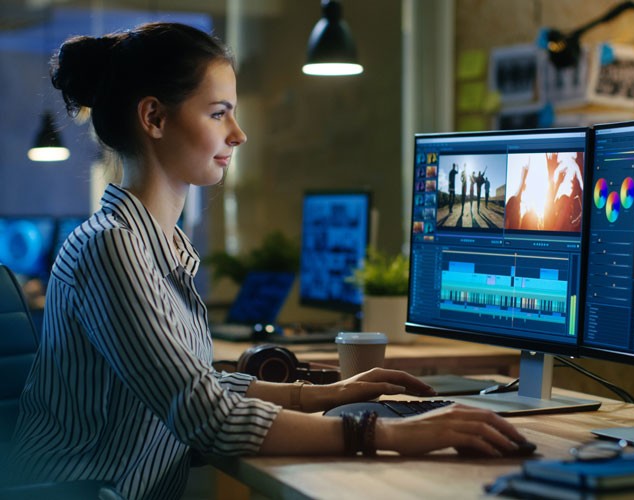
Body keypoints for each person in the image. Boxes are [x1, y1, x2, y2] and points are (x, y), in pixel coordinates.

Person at [8, 22, 526, 500]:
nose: (238, 133)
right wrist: (385, 432)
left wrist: (322, 394)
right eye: (218, 113)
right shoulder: (111, 247)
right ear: (154, 117)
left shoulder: (151, 244)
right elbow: (204, 413)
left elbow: (198, 383)